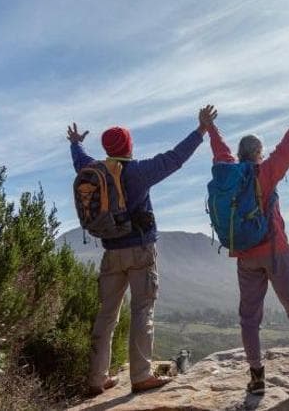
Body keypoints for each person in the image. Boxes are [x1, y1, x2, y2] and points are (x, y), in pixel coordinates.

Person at [67, 106, 216, 395]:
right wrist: (201, 131)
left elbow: (79, 160)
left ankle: (97, 379)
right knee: (142, 311)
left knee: (106, 315)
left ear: (107, 148)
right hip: (140, 251)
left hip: (111, 253)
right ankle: (141, 376)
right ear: (128, 146)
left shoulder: (93, 169)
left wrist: (75, 142)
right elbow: (175, 158)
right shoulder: (137, 172)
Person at [203, 88, 289, 395]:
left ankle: (257, 377)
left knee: (249, 318)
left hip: (245, 255)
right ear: (259, 153)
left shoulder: (228, 172)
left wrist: (210, 126)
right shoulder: (267, 172)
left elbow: (219, 149)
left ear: (240, 154)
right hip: (276, 251)